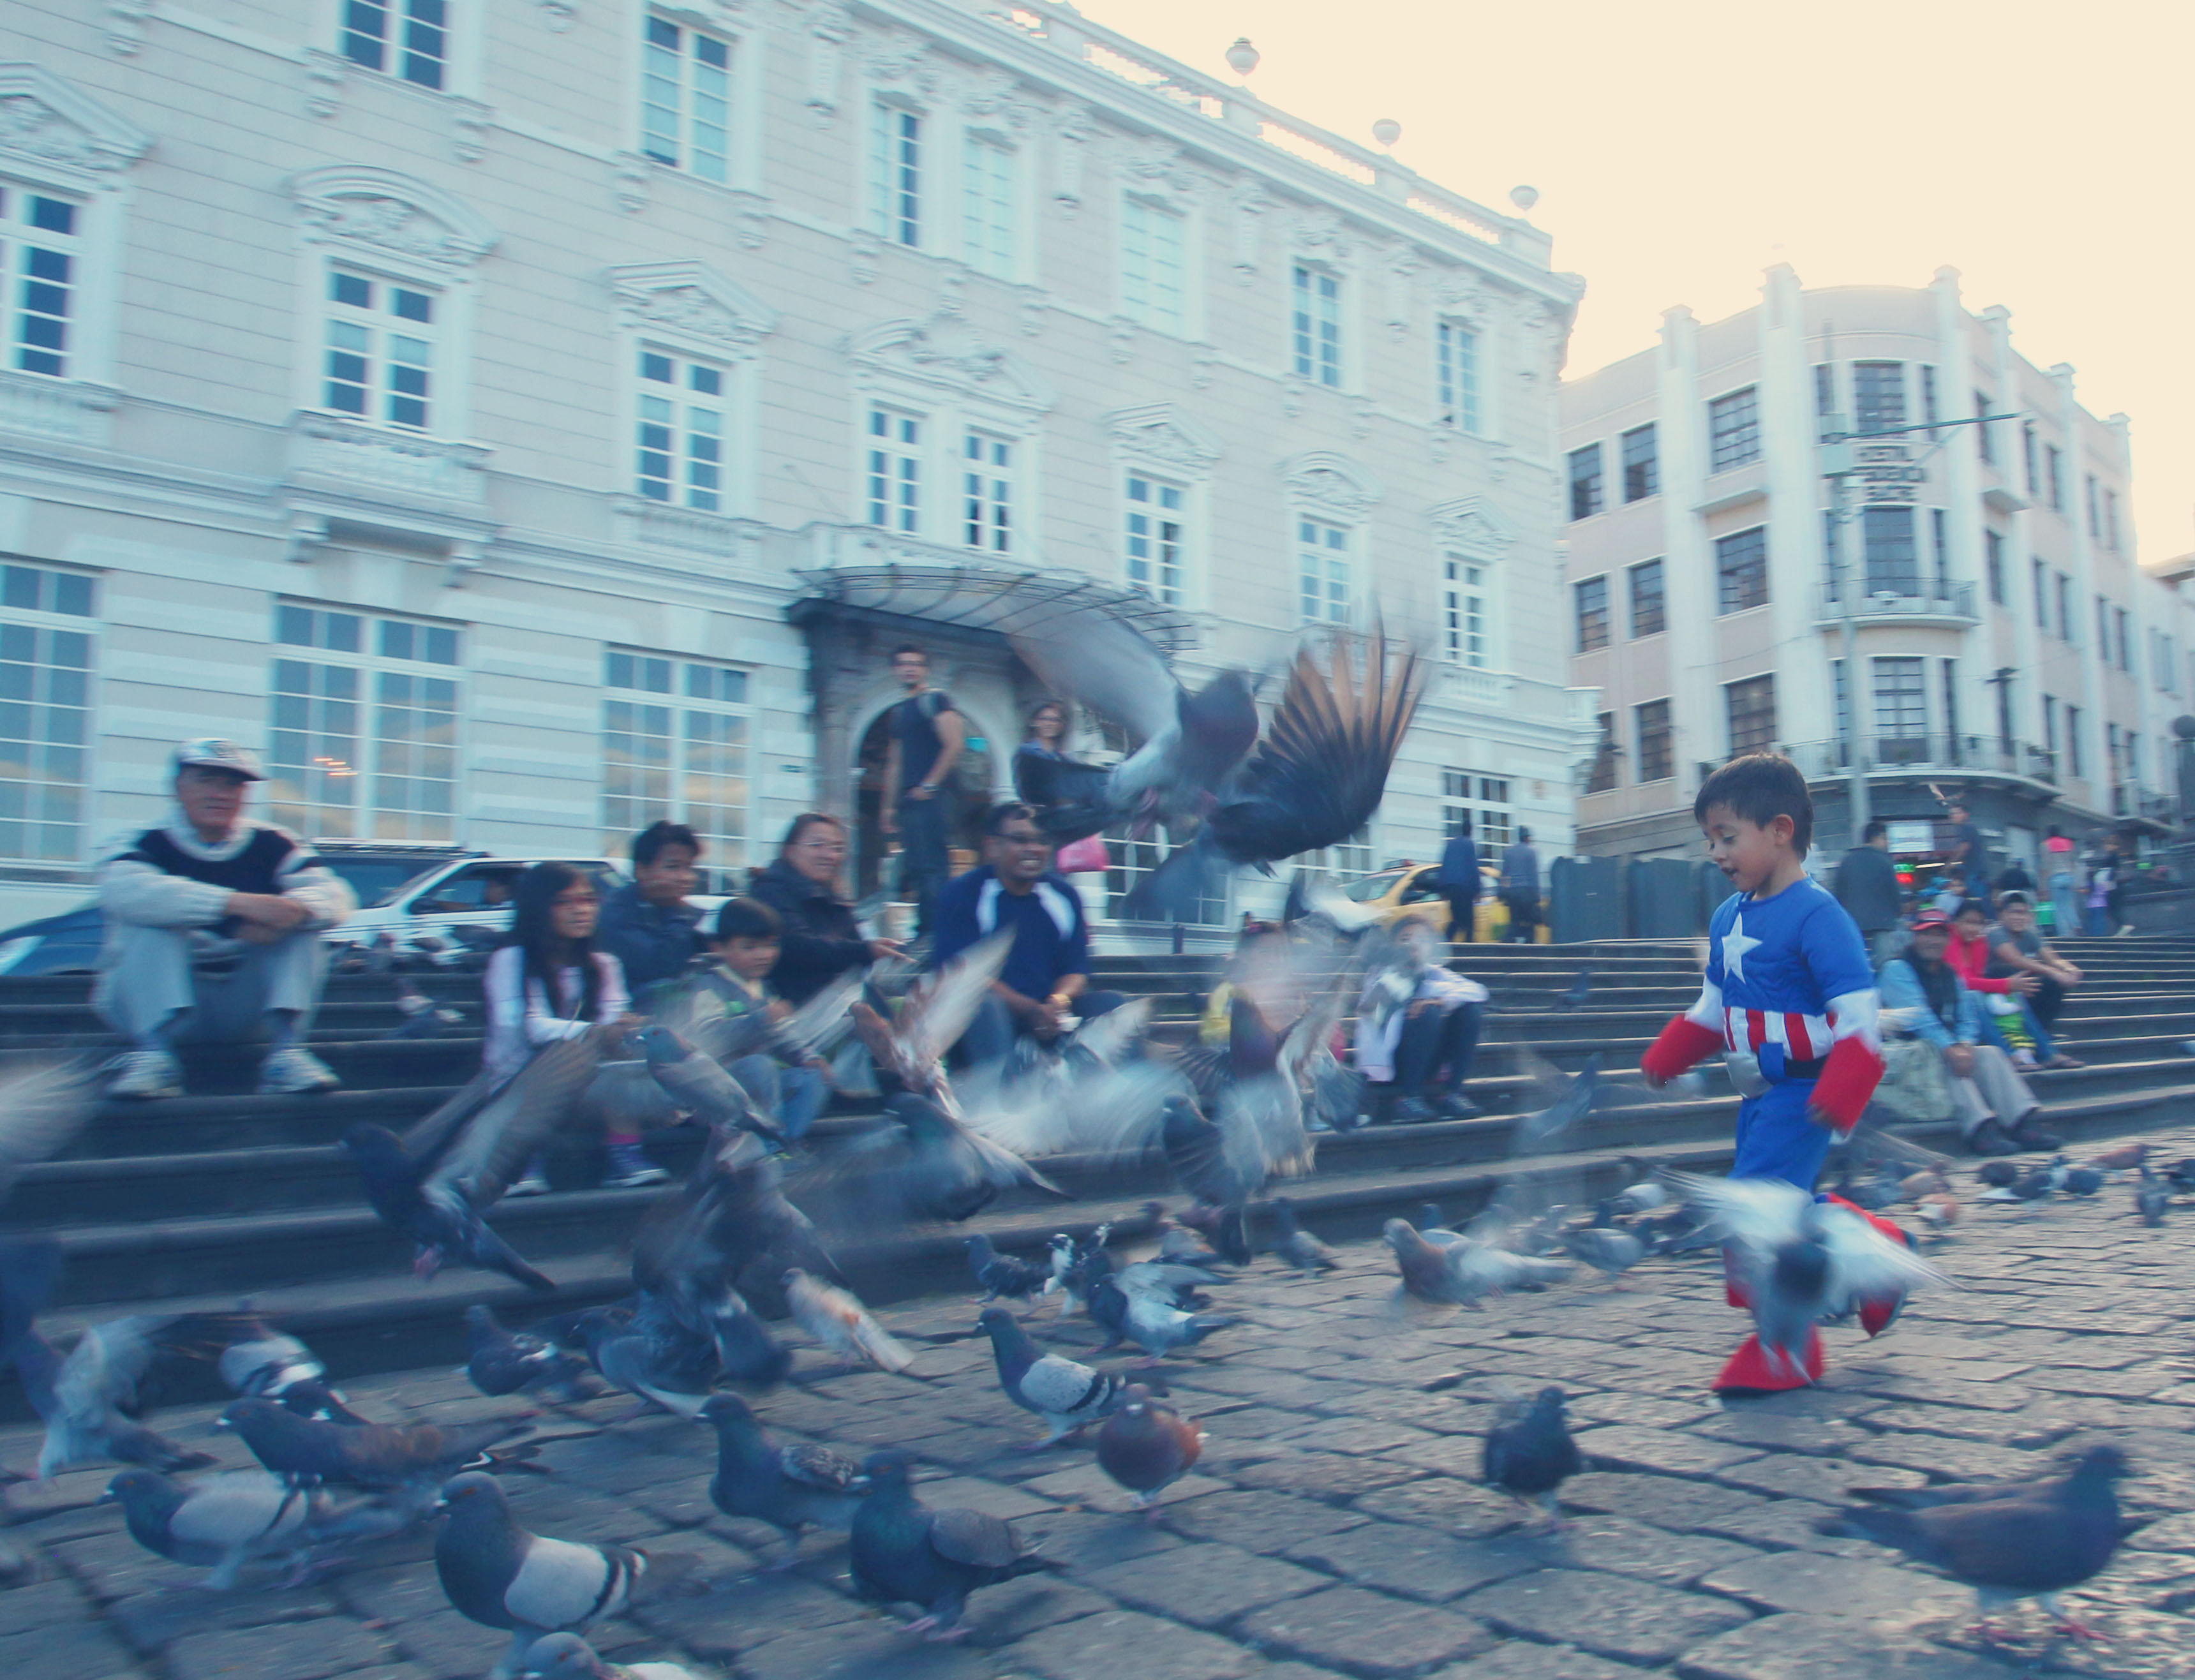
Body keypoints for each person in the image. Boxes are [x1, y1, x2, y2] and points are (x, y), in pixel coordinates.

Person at [1638, 753, 1904, 1394]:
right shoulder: (1728, 916)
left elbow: (1857, 1017)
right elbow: (1713, 1007)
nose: (1715, 852)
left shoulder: (1819, 916)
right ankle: (1877, 1252)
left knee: (1754, 1211)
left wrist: (1841, 1090)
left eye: (1727, 836)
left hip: (1804, 1091)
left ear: (1780, 829)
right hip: (1757, 1093)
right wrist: (1671, 1052)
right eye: (1710, 839)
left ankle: (1786, 1349)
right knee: (1777, 1207)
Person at [96, 740, 355, 1100]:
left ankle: (286, 1055)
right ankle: (154, 1057)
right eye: (206, 780)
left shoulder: (275, 842)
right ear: (177, 787)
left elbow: (336, 895)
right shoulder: (142, 840)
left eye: (233, 785)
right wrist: (236, 906)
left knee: (301, 922)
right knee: (149, 918)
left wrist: (294, 911)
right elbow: (122, 891)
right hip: (155, 1007)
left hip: (245, 1012)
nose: (220, 794)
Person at [484, 863, 655, 1194]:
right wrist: (599, 1032)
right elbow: (523, 1026)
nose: (581, 910)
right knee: (556, 1062)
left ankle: (625, 1154)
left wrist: (626, 1027)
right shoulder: (512, 959)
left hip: (586, 1080)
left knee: (624, 1060)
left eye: (589, 900)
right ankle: (522, 1160)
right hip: (519, 1077)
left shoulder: (604, 964)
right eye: (565, 902)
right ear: (539, 908)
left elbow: (613, 1017)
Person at [931, 802, 1124, 1071]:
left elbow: (1076, 970)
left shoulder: (1064, 897)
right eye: (1020, 840)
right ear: (992, 847)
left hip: (1048, 1015)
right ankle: (996, 1093)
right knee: (985, 1005)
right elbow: (963, 974)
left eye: (1042, 841)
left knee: (1113, 1005)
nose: (1034, 849)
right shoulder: (962, 895)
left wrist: (1057, 1003)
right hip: (987, 1020)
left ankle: (1124, 1091)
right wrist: (1030, 1009)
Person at [1878, 909, 2057, 1157]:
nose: (1933, 941)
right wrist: (1952, 1048)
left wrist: (1965, 1043)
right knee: (1946, 1058)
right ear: (1915, 937)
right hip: (1906, 1054)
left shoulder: (1949, 973)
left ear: (1947, 939)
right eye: (1926, 934)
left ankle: (2021, 1121)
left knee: (1990, 1053)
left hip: (1941, 1046)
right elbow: (1917, 1018)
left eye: (1939, 935)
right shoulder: (1897, 969)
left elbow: (1967, 1017)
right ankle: (1979, 1128)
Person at [679, 898, 830, 1140]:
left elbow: (783, 1033)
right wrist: (760, 1020)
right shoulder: (709, 985)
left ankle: (786, 1141)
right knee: (759, 1065)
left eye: (771, 946)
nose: (764, 955)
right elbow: (707, 1036)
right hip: (716, 1089)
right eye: (750, 948)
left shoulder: (761, 987)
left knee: (811, 1077)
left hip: (759, 1086)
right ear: (718, 948)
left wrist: (807, 1056)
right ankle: (766, 1143)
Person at [748, 813, 900, 1006]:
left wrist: (880, 950)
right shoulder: (771, 890)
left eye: (838, 848)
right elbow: (796, 946)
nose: (830, 856)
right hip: (794, 1008)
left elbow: (853, 944)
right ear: (789, 850)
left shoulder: (831, 895)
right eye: (817, 845)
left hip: (838, 1005)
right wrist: (866, 950)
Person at [1355, 920, 1487, 1122]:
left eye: (1422, 940)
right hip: (1390, 1064)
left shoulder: (1434, 973)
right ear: (1393, 945)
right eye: (1406, 939)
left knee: (1471, 1011)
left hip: (1425, 1059)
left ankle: (1451, 1094)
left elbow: (1478, 991)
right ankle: (1406, 1099)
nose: (1413, 944)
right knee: (1429, 1013)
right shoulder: (1380, 973)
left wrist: (1439, 1000)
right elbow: (1371, 1010)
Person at [879, 644, 965, 939]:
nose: (910, 669)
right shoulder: (899, 712)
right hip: (909, 800)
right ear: (895, 670)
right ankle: (926, 929)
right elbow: (895, 761)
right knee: (917, 867)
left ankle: (936, 931)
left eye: (916, 664)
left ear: (925, 669)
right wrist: (888, 807)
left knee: (932, 867)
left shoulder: (936, 700)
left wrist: (929, 785)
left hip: (932, 798)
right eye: (904, 664)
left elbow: (954, 744)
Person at [1943, 898, 2069, 1071]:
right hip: (1947, 1000)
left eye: (1979, 923)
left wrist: (2007, 986)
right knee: (1976, 997)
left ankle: (2047, 1054)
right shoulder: (1949, 940)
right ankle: (2008, 1055)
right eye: (1968, 922)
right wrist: (2005, 985)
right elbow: (1963, 983)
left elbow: (1978, 977)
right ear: (1956, 921)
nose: (1973, 928)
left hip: (1970, 995)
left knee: (2014, 995)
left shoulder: (1978, 943)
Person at [597, 821, 706, 1000]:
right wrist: (678, 912)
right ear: (641, 871)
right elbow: (661, 966)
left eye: (689, 868)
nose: (686, 878)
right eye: (673, 867)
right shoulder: (616, 915)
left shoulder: (673, 909)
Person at [1986, 891, 2085, 1040]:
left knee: (2053, 983)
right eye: (2014, 912)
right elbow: (2015, 959)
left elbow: (2053, 959)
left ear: (2030, 916)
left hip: (2020, 983)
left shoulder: (2030, 934)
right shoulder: (1995, 933)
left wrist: (2070, 970)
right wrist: (2054, 972)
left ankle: (2042, 1029)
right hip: (1995, 985)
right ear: (2002, 915)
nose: (2019, 917)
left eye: (2023, 913)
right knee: (2014, 971)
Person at [1831, 819, 1905, 967]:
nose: (1887, 843)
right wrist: (1898, 912)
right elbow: (1895, 894)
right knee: (1884, 967)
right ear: (1876, 837)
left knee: (1856, 965)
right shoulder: (1885, 861)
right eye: (1885, 839)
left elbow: (1837, 895)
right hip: (1882, 925)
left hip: (1852, 926)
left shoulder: (1847, 861)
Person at [1436, 824, 1481, 946]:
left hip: (1450, 886)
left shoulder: (1450, 844)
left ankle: (1445, 942)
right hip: (1464, 887)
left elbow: (1444, 865)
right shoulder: (1469, 844)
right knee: (1468, 919)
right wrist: (1477, 890)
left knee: (1457, 918)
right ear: (1470, 831)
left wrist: (1442, 889)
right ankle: (1468, 946)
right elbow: (1473, 868)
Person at [1498, 827, 1541, 944]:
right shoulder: (1531, 852)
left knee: (1514, 921)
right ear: (1527, 838)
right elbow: (1534, 875)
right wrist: (1537, 896)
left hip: (1513, 892)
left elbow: (1504, 874)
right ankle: (1530, 946)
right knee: (1530, 922)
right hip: (1527, 892)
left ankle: (1507, 942)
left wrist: (1501, 892)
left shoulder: (1508, 852)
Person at [2044, 826, 2079, 935]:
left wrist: (2043, 886)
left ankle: (2064, 935)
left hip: (2056, 878)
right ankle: (2075, 925)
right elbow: (2073, 862)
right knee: (2068, 905)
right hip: (2068, 877)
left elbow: (2046, 865)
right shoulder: (2068, 843)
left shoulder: (2046, 844)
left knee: (2059, 909)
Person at [1944, 800, 1987, 886]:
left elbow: (1964, 847)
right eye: (1952, 814)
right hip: (1976, 870)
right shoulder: (1968, 827)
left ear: (1966, 815)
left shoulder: (1966, 827)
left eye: (1957, 813)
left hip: (1975, 872)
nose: (1953, 816)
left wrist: (1950, 863)